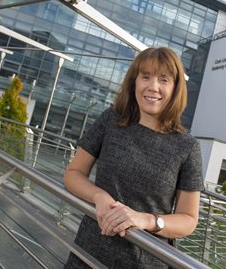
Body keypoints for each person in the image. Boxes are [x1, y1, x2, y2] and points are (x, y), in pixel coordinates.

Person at [63, 46, 204, 268]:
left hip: (146, 260)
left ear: (176, 88)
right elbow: (73, 174)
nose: (153, 87)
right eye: (145, 76)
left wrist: (147, 219)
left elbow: (188, 219)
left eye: (164, 79)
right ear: (134, 82)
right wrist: (100, 197)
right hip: (90, 251)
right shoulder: (111, 120)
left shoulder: (187, 146)